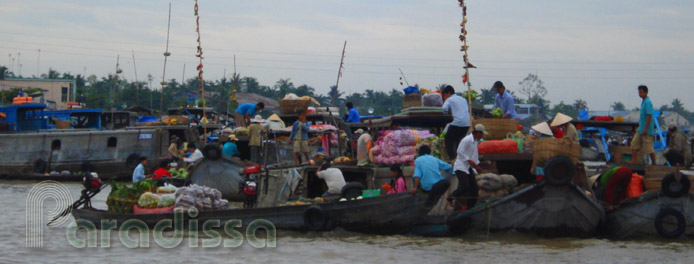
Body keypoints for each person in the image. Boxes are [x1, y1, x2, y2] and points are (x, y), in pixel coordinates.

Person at [449, 124, 487, 211]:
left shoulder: (475, 142)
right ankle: (450, 198)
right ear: (478, 133)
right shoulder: (467, 140)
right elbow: (459, 151)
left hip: (468, 167)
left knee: (474, 188)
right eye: (482, 134)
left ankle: (470, 206)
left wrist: (476, 166)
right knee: (465, 186)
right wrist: (470, 161)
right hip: (461, 166)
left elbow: (474, 156)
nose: (482, 136)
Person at [441, 85, 471, 161]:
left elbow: (444, 109)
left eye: (445, 95)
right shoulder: (463, 99)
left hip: (458, 123)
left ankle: (452, 158)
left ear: (448, 93)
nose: (445, 97)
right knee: (458, 140)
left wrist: (446, 112)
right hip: (467, 124)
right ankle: (459, 158)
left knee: (448, 139)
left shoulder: (449, 99)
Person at [630, 85, 656, 165]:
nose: (639, 94)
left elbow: (649, 116)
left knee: (649, 149)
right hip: (640, 129)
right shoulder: (643, 102)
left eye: (640, 92)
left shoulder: (648, 102)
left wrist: (645, 128)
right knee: (634, 144)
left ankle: (654, 163)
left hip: (647, 130)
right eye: (639, 92)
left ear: (645, 92)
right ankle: (633, 161)